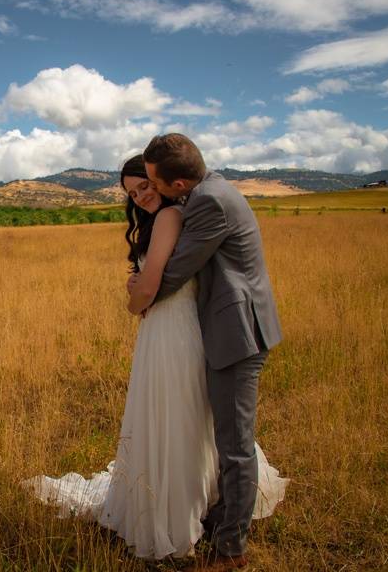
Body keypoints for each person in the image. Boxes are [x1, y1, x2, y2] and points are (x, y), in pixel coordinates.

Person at [23, 154, 288, 564]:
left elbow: (162, 282)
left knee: (191, 422)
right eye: (133, 192)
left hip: (181, 332)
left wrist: (136, 297)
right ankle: (198, 508)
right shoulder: (173, 214)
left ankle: (222, 538)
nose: (142, 195)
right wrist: (142, 286)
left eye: (146, 185)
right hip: (171, 332)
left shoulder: (175, 216)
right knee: (179, 420)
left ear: (165, 182)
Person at [141, 133, 285, 570]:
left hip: (236, 334)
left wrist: (141, 294)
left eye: (155, 182)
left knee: (235, 443)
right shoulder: (211, 190)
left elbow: (180, 267)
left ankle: (231, 550)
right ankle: (224, 519)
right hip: (233, 327)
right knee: (226, 435)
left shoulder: (210, 202)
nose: (152, 190)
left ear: (179, 185)